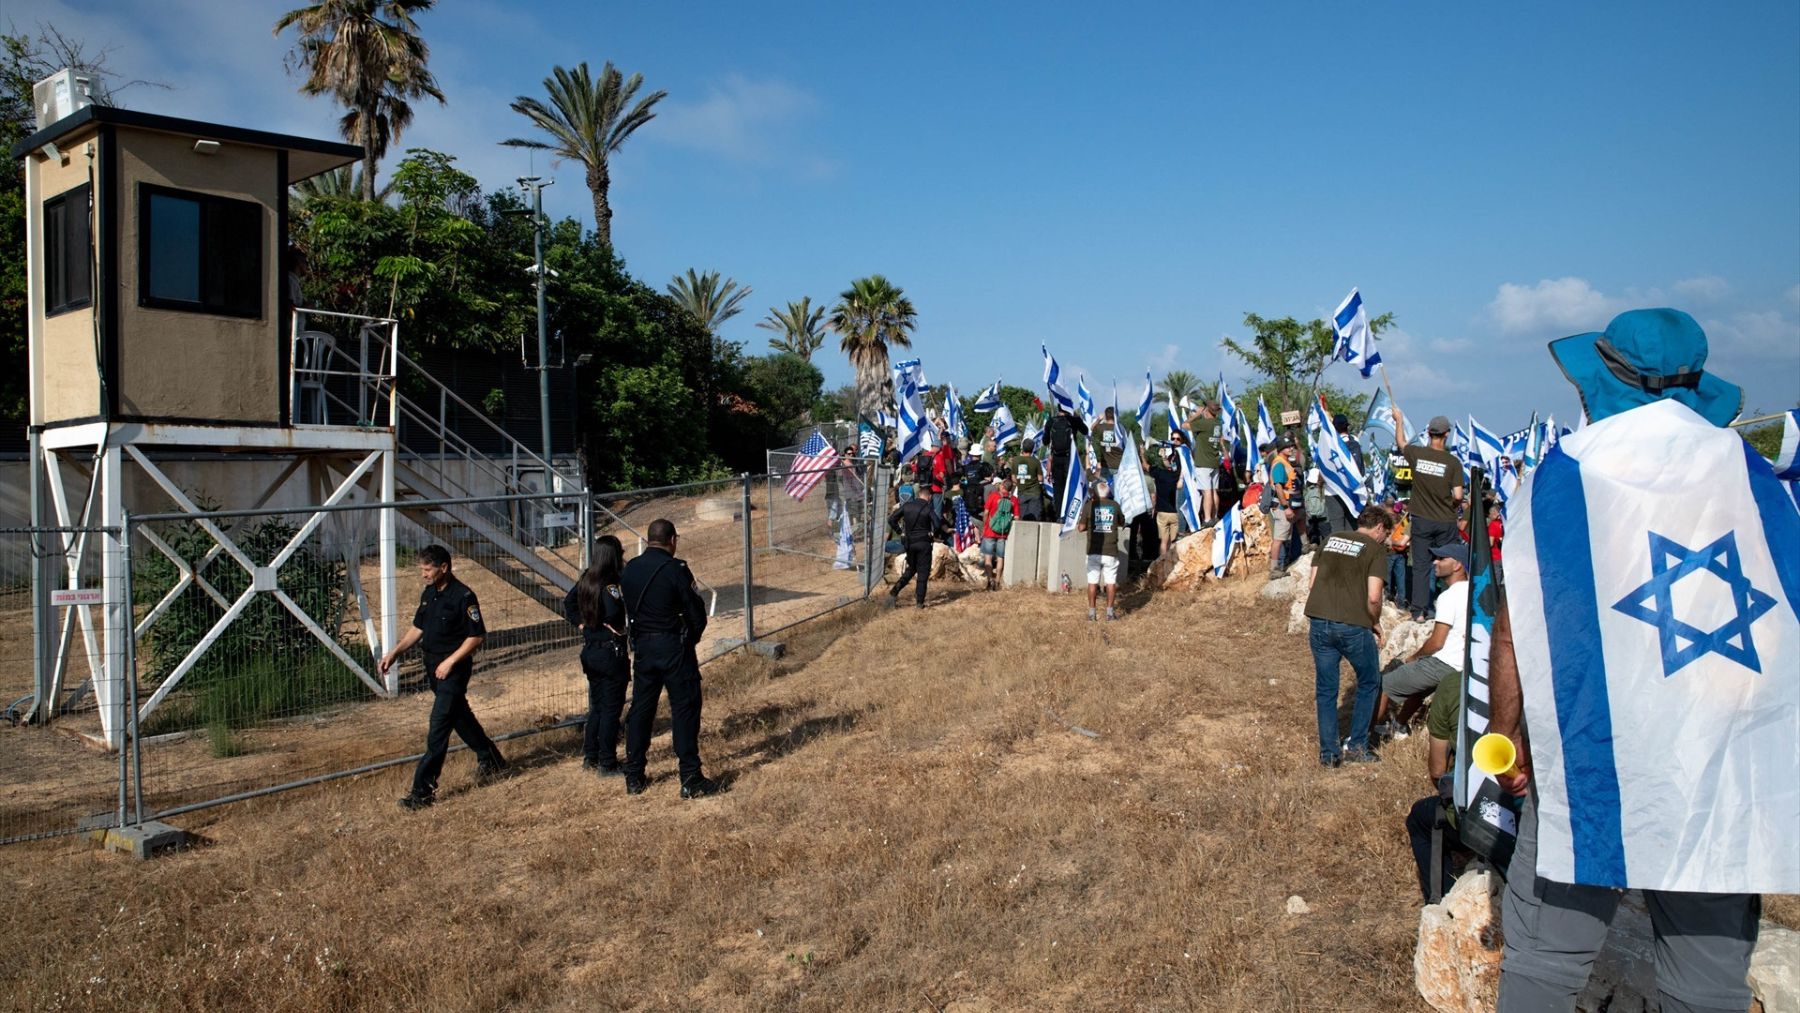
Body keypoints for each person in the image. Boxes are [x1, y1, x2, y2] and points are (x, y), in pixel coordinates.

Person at [1489, 309, 1786, 1013]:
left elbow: (1515, 629)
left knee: (1544, 965)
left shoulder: (1567, 476)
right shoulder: (1755, 478)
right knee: (1704, 983)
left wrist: (1511, 742)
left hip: (1596, 756)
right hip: (1718, 764)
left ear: (1605, 378)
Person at [381, 545, 507, 810]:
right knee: (459, 717)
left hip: (453, 670)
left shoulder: (463, 596)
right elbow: (418, 628)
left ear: (444, 568)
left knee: (438, 728)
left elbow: (477, 636)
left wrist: (450, 662)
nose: (423, 574)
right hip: (432, 668)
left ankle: (422, 793)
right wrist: (395, 652)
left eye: (427, 569)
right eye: (422, 569)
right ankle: (491, 759)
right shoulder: (429, 594)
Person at [620, 520, 719, 798]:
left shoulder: (630, 570)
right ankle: (690, 776)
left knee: (641, 709)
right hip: (674, 646)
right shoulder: (676, 569)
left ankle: (634, 774)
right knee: (685, 708)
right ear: (672, 540)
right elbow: (696, 612)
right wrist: (690, 639)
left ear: (649, 539)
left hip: (643, 649)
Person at [1301, 506, 1392, 766]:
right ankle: (1357, 747)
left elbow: (1311, 583)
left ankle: (1329, 755)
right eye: (1385, 534)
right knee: (1370, 681)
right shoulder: (1375, 550)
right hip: (1353, 625)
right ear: (1379, 528)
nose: (1385, 539)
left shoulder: (1330, 539)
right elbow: (1374, 596)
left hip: (1319, 621)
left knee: (1326, 689)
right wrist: (1374, 622)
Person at [1374, 542, 1470, 738]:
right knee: (1419, 685)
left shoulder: (1450, 596)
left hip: (1445, 662)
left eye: (1442, 559)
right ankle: (1399, 725)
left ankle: (1364, 738)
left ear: (1457, 565)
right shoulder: (1474, 592)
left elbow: (1437, 642)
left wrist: (1414, 657)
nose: (1436, 562)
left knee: (1383, 684)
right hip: (1464, 665)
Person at [564, 535, 630, 775]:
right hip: (610, 653)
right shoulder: (610, 583)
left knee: (598, 708)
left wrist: (583, 623)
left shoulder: (586, 578)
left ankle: (590, 756)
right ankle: (607, 762)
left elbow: (568, 603)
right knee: (611, 709)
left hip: (591, 651)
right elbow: (613, 612)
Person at [1404, 664, 1470, 902]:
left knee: (1420, 820)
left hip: (1474, 815)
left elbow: (1438, 770)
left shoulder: (1455, 685)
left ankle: (1441, 902)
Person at [1393, 411, 1465, 621]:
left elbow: (1401, 442)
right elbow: (1459, 495)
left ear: (1429, 433)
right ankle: (1448, 610)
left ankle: (1419, 613)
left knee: (1421, 567)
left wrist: (1398, 421)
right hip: (1445, 521)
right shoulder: (1452, 463)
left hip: (1422, 519)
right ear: (1446, 434)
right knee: (1449, 565)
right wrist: (1450, 505)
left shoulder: (1417, 454)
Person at [887, 486, 942, 608]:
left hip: (910, 543)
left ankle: (895, 590)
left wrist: (900, 531)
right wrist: (932, 533)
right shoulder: (928, 508)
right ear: (929, 496)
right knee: (923, 572)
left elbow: (891, 519)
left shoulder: (907, 506)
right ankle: (919, 602)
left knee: (912, 569)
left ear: (918, 495)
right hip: (924, 543)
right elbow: (937, 524)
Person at [1077, 476, 1123, 621]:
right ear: (1108, 493)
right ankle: (1109, 613)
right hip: (1111, 551)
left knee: (1092, 582)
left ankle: (1092, 614)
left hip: (1093, 551)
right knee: (1110, 582)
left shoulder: (1089, 506)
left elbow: (1081, 527)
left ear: (1095, 493)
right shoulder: (1115, 505)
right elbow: (1122, 522)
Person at [1267, 439, 1303, 578]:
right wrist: (1285, 507)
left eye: (1292, 446)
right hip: (1282, 507)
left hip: (1287, 505)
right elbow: (1278, 487)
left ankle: (1305, 544)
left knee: (1301, 515)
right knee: (1279, 539)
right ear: (1281, 449)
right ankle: (1274, 569)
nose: (1291, 448)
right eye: (1287, 446)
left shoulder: (1285, 462)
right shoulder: (1279, 464)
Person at [1187, 401, 1224, 525]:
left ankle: (1207, 518)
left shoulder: (1204, 423)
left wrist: (1197, 413)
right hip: (1214, 462)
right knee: (1213, 491)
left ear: (1207, 411)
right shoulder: (1217, 424)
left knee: (1206, 491)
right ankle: (1214, 516)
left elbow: (1184, 425)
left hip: (1203, 463)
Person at [1326, 413, 1363, 534]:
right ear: (1347, 427)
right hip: (1352, 489)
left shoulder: (1328, 444)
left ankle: (1337, 552)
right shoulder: (1355, 443)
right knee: (1351, 525)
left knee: (1337, 527)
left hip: (1333, 491)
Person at [980, 475, 1020, 590]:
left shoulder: (993, 496)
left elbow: (986, 513)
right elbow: (1017, 518)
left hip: (989, 531)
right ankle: (997, 580)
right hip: (1003, 533)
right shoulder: (1014, 500)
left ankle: (990, 580)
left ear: (1002, 486)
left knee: (988, 558)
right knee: (1000, 557)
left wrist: (985, 526)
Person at [1044, 405, 1088, 499]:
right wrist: (1077, 417)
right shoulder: (1073, 420)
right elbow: (1085, 431)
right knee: (1072, 486)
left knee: (1059, 489)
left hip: (1056, 459)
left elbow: (1045, 441)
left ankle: (1059, 512)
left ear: (1058, 409)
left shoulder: (1051, 421)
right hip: (1070, 459)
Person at [1146, 442, 1182, 557]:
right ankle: (1171, 565)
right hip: (1174, 514)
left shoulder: (1158, 473)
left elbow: (1146, 466)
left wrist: (1142, 455)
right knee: (1172, 543)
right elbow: (1175, 470)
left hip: (1162, 513)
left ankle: (1161, 563)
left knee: (1163, 542)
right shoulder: (1174, 476)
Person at [1007, 438, 1045, 520]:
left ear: (1022, 448)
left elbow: (1013, 478)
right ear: (1033, 449)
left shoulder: (1015, 460)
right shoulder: (1036, 461)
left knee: (1023, 518)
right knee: (1034, 519)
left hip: (1021, 493)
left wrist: (1021, 481)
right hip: (1034, 493)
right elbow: (1040, 478)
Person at [1386, 500, 1412, 606]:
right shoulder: (1401, 517)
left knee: (1387, 579)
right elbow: (1407, 531)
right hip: (1401, 552)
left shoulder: (1385, 519)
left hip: (1388, 552)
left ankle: (1387, 603)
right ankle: (1401, 604)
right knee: (1401, 580)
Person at [1090, 406, 1124, 479]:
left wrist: (1098, 419)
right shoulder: (1121, 428)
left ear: (1105, 415)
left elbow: (1092, 428)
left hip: (1105, 465)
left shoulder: (1100, 427)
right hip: (1119, 465)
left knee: (1104, 489)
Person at [1303, 467, 1330, 549]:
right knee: (1327, 536)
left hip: (1311, 517)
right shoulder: (1324, 488)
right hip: (1324, 517)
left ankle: (1314, 547)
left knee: (1313, 536)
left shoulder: (1307, 489)